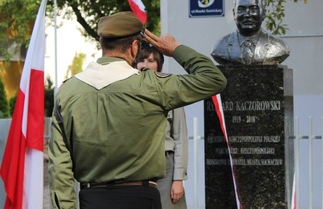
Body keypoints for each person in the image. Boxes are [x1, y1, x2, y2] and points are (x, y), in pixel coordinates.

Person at [48, 11, 227, 209]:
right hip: (141, 199)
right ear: (134, 47)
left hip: (91, 198)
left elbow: (59, 167)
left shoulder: (67, 92)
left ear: (102, 44)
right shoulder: (153, 86)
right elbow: (214, 79)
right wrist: (175, 49)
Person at [137, 43, 188, 209]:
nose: (145, 65)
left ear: (159, 64)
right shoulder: (127, 92)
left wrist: (178, 178)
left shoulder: (170, 91)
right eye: (141, 60)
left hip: (165, 164)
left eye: (151, 61)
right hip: (136, 165)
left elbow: (180, 137)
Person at [211, 0, 290, 65]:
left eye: (253, 9)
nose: (247, 15)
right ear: (234, 13)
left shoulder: (278, 47)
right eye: (241, 9)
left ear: (263, 13)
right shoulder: (220, 47)